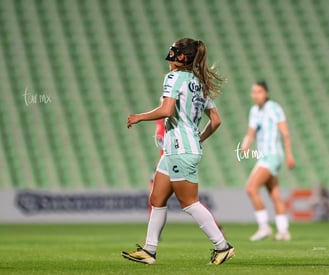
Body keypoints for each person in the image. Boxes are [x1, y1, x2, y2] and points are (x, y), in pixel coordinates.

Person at [122, 38, 235, 265]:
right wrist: (199, 138)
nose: (170, 54)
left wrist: (139, 117)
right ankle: (149, 250)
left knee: (189, 202)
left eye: (173, 51)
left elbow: (166, 110)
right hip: (177, 148)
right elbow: (216, 120)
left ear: (181, 57)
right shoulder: (199, 82)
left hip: (179, 149)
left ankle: (223, 247)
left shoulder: (173, 77)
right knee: (157, 198)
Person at [241, 81, 295, 241]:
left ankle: (264, 227)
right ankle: (283, 231)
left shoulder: (274, 108)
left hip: (272, 155)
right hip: (263, 155)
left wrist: (289, 154)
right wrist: (246, 145)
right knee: (274, 193)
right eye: (253, 92)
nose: (255, 95)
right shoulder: (254, 111)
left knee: (251, 188)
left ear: (266, 93)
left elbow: (285, 132)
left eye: (259, 91)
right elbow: (251, 132)